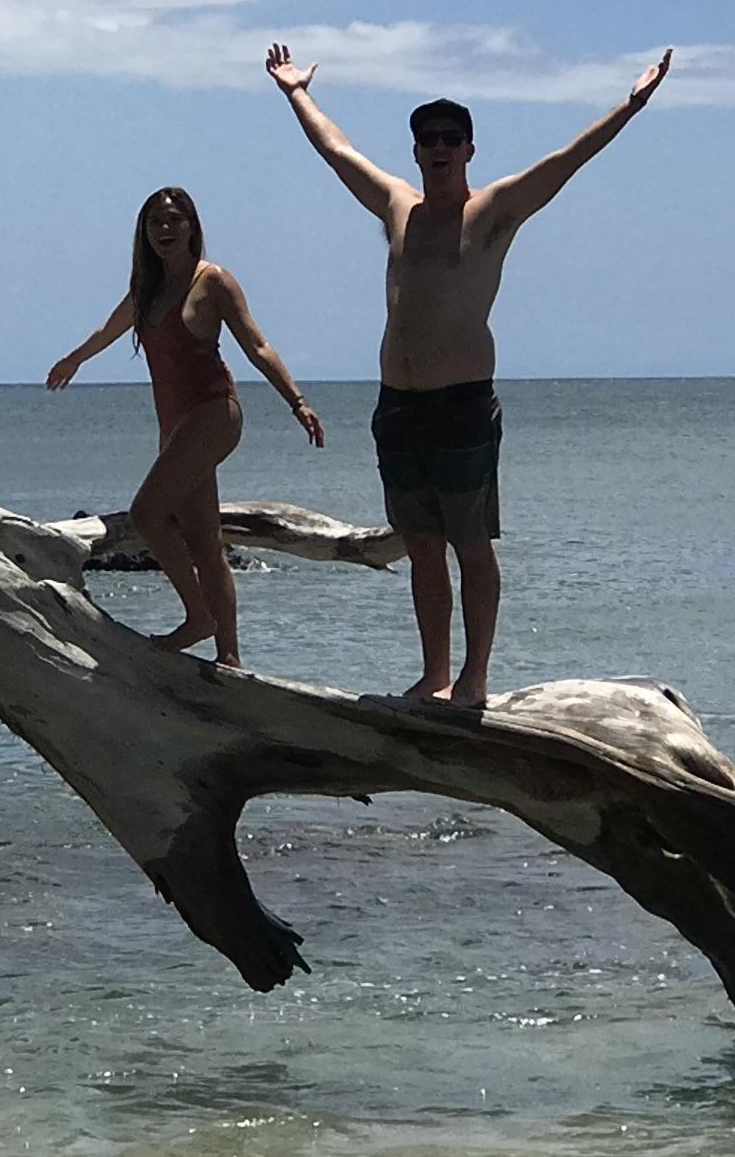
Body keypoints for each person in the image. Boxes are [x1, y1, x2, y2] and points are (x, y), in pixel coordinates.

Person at [263, 40, 673, 710]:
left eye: (452, 138)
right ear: (418, 150)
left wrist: (631, 102)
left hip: (461, 406)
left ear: (470, 149)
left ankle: (475, 677)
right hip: (398, 406)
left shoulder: (494, 212)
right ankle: (435, 673)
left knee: (470, 544)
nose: (440, 147)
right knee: (422, 547)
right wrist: (296, 92)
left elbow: (566, 161)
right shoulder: (399, 207)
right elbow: (337, 152)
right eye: (429, 139)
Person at [46, 184, 326, 673]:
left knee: (148, 514)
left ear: (193, 226)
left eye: (175, 219)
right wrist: (73, 359)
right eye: (156, 221)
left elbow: (258, 346)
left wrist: (296, 401)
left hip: (215, 414)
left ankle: (198, 618)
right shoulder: (145, 289)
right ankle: (230, 656)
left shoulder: (212, 281)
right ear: (144, 232)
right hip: (175, 428)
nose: (165, 229)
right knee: (203, 539)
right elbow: (106, 331)